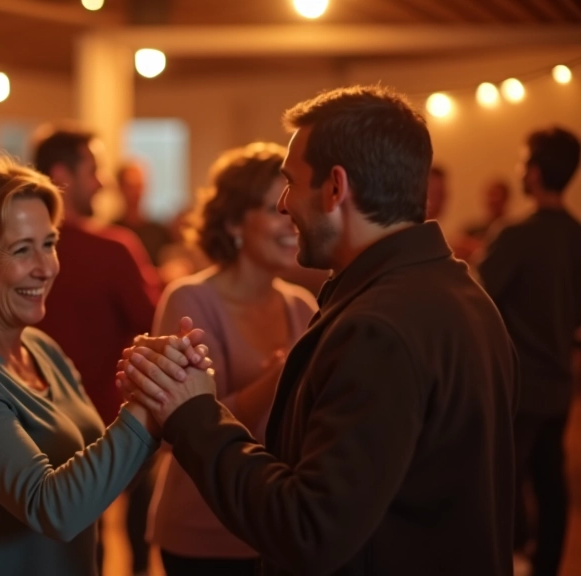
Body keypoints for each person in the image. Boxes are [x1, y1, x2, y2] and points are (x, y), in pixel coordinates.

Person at [119, 85, 519, 575]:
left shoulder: (378, 328)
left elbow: (308, 529)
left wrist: (195, 412)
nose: (285, 204)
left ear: (335, 188)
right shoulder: (462, 295)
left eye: (291, 182)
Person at [0, 157, 200, 576]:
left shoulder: (40, 348)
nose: (46, 268)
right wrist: (143, 406)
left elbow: (102, 479)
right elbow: (52, 508)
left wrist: (161, 394)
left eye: (49, 243)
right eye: (22, 249)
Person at [147, 143, 317, 576]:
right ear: (233, 222)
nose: (289, 219)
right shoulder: (190, 298)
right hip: (203, 529)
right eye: (272, 207)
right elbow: (179, 427)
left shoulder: (302, 306)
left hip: (277, 523)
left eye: (290, 202)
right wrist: (283, 371)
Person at [31, 126, 161, 575]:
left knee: (77, 536)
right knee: (137, 513)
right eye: (95, 170)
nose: (103, 182)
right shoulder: (114, 248)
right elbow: (154, 320)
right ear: (62, 175)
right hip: (111, 417)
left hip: (34, 416)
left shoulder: (17, 250)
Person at [475, 126, 581, 576]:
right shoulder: (577, 235)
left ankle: (510, 561)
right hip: (560, 381)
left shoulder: (516, 234)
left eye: (522, 162)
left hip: (519, 382)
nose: (520, 170)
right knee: (550, 478)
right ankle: (548, 566)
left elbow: (477, 297)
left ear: (535, 173)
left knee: (503, 479)